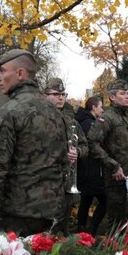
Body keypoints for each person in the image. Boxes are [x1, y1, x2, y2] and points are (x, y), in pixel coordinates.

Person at [0, 49, 67, 235]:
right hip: (52, 213)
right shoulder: (55, 112)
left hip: (18, 217)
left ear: (20, 73)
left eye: (2, 71)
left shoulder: (11, 112)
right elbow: (63, 163)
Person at [87, 80, 128, 231]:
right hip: (116, 180)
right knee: (116, 222)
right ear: (112, 97)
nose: (127, 96)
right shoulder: (107, 118)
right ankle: (112, 251)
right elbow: (92, 143)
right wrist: (113, 166)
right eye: (122, 93)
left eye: (127, 93)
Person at [43, 78, 88, 227]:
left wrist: (78, 152)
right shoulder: (39, 120)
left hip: (66, 183)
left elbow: (85, 146)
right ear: (45, 96)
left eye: (63, 94)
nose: (61, 97)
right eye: (56, 94)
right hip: (44, 183)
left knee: (63, 225)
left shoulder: (72, 122)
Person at [75, 97, 107, 234]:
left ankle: (81, 229)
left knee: (86, 200)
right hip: (91, 170)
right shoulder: (90, 124)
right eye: (100, 107)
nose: (102, 109)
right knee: (105, 200)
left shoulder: (84, 122)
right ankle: (91, 230)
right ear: (93, 107)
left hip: (86, 170)